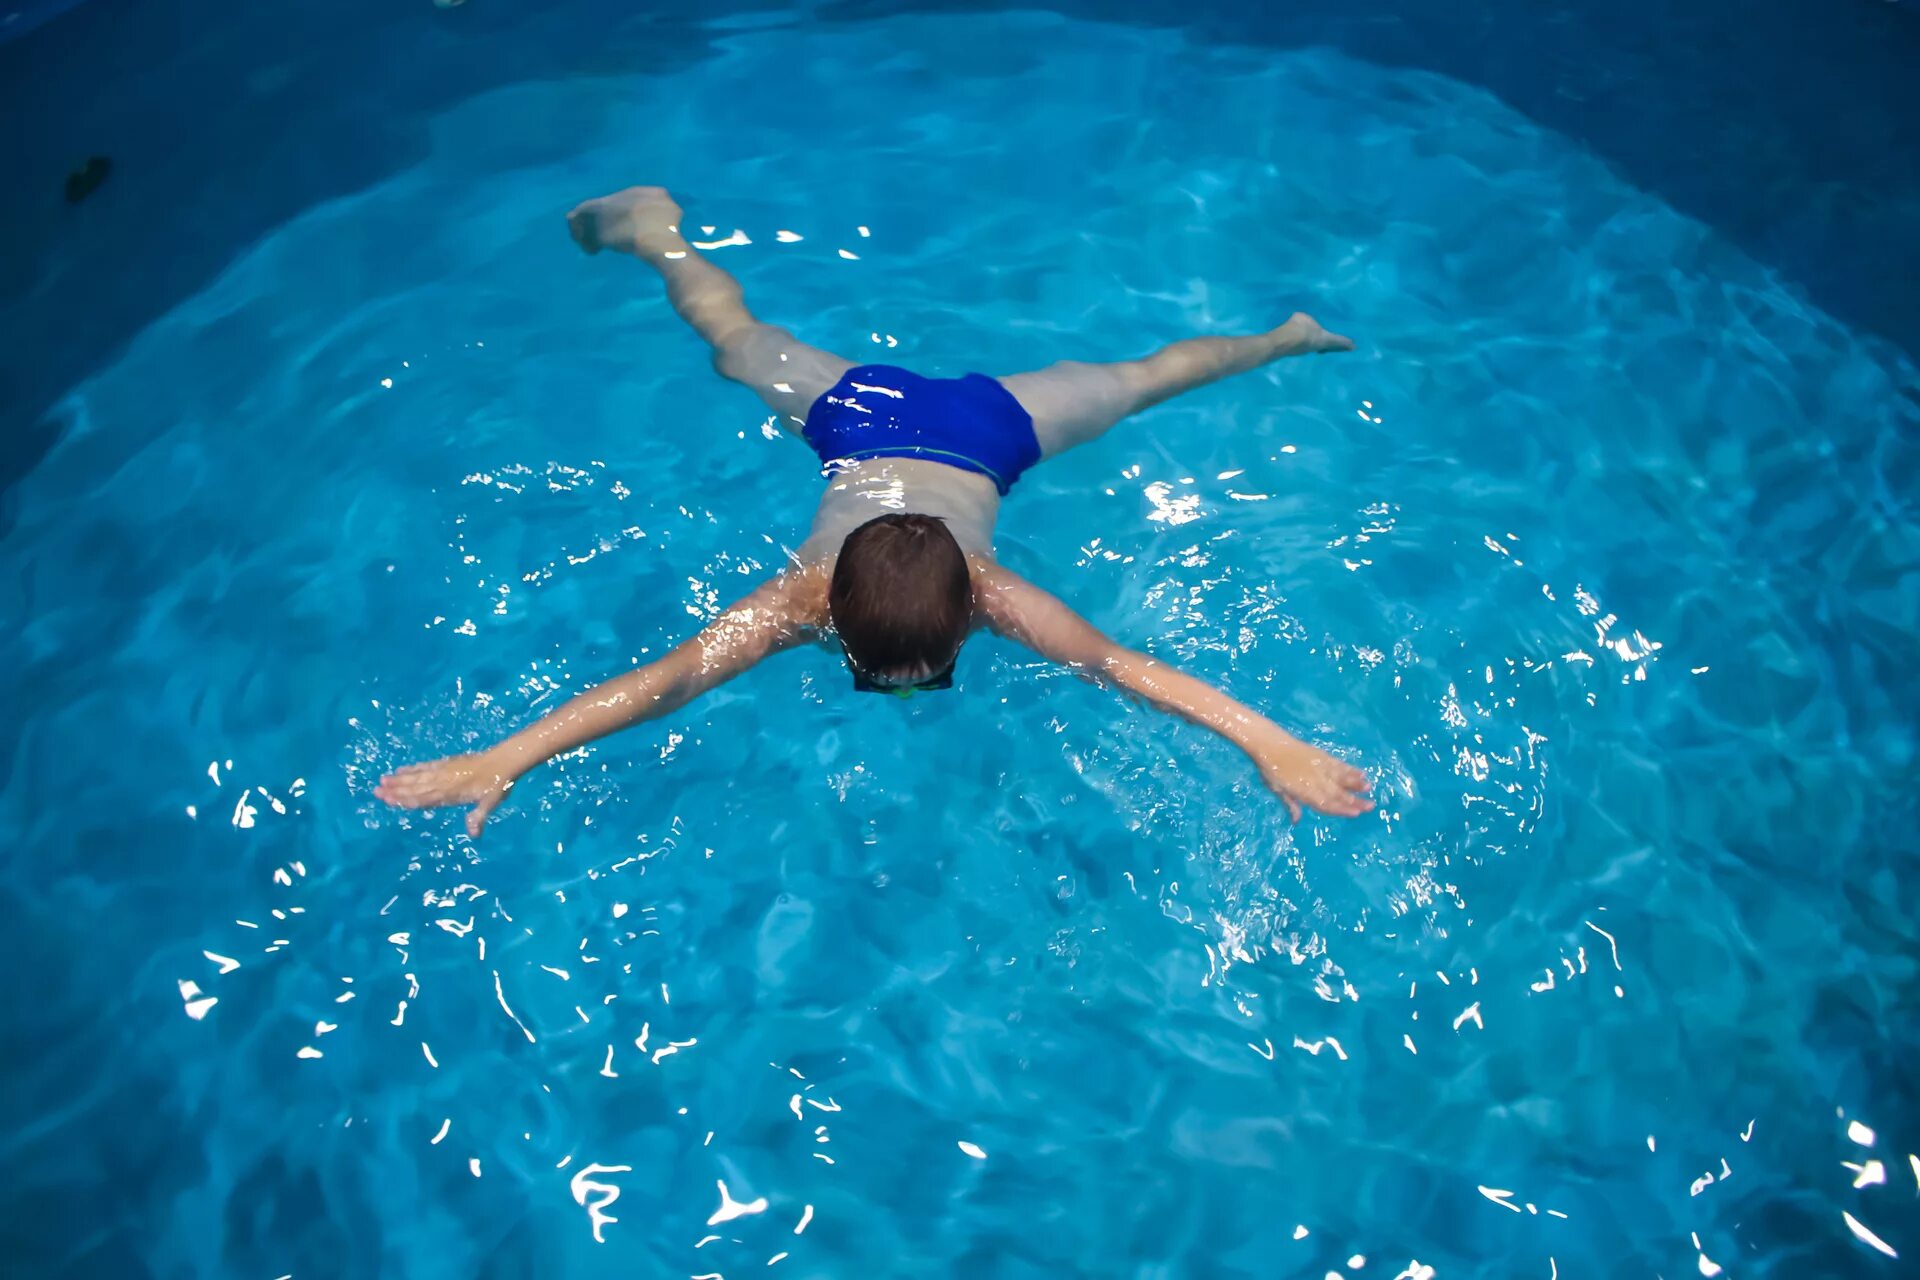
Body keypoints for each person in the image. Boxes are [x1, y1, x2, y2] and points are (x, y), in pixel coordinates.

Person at [376, 186, 1372, 837]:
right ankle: (655, 231)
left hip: (972, 433)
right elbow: (660, 684)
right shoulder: (798, 602)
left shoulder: (963, 594)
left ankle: (1281, 337)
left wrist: (1270, 742)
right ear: (829, 612)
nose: (905, 686)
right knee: (734, 339)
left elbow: (1129, 668)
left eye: (916, 673)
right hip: (890, 425)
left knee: (1144, 379)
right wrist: (499, 758)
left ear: (972, 607)